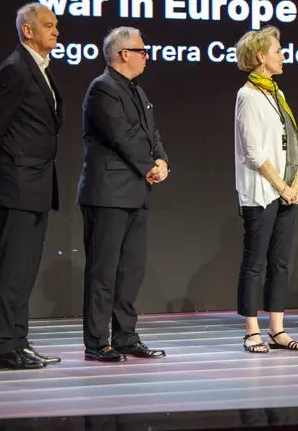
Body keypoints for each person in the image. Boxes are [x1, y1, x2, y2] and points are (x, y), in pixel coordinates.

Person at [0, 3, 64, 370]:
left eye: (56, 25)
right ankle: (3, 348)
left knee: (24, 269)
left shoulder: (36, 69)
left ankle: (19, 342)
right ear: (27, 31)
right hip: (18, 181)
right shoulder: (15, 69)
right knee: (12, 269)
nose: (56, 31)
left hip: (35, 182)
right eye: (48, 25)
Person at [77, 26, 170, 362]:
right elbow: (122, 136)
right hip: (108, 194)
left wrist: (161, 160)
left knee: (131, 269)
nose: (147, 56)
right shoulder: (102, 89)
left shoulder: (137, 92)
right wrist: (149, 164)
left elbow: (151, 132)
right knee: (103, 270)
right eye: (142, 51)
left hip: (135, 192)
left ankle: (126, 336)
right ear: (123, 53)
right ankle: (97, 341)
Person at [234, 25, 298, 354]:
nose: (282, 56)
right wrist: (280, 185)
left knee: (280, 261)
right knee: (255, 262)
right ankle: (252, 330)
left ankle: (277, 328)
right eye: (277, 51)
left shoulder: (277, 93)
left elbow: (290, 141)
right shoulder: (247, 96)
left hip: (285, 189)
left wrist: (297, 180)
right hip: (261, 192)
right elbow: (254, 152)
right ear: (261, 57)